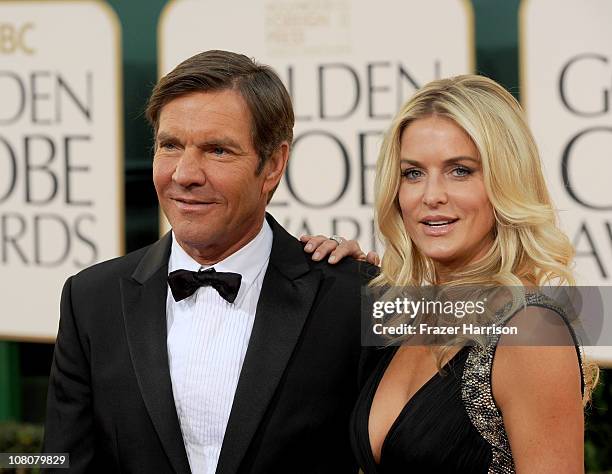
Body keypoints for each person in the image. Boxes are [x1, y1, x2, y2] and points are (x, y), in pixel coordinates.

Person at [43, 50, 375, 474]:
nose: (185, 174)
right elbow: (61, 461)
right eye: (170, 146)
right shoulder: (90, 299)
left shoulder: (355, 295)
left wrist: (416, 275)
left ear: (272, 165)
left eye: (217, 150)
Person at [303, 74, 598, 473]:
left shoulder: (531, 330)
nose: (431, 195)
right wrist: (345, 281)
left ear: (504, 181)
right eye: (413, 173)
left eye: (460, 170)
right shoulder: (404, 317)